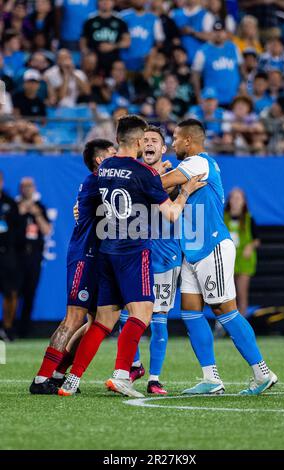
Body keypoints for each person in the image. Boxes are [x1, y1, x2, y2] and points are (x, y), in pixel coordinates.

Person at [58, 114, 205, 397]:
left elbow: (87, 206)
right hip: (134, 251)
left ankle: (71, 380)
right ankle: (121, 374)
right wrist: (185, 191)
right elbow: (172, 214)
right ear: (138, 141)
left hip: (106, 250)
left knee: (103, 321)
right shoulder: (144, 174)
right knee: (143, 312)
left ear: (118, 139)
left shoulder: (105, 167)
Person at [161, 118, 277, 395]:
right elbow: (164, 190)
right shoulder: (191, 167)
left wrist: (152, 174)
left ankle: (262, 373)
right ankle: (211, 378)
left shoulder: (198, 163)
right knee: (189, 311)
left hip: (211, 246)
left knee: (225, 309)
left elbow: (160, 184)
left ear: (188, 141)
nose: (172, 144)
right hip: (191, 248)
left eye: (175, 138)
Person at [30, 139, 116, 394]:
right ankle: (41, 378)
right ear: (101, 160)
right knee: (74, 317)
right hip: (85, 256)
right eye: (113, 154)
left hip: (98, 257)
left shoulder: (103, 183)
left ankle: (58, 372)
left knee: (94, 322)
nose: (119, 156)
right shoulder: (96, 181)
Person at [120, 126, 182, 395]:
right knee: (126, 317)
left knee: (159, 320)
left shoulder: (172, 178)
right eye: (144, 140)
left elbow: (170, 207)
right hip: (134, 252)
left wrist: (161, 176)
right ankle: (135, 365)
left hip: (164, 255)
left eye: (154, 140)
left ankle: (154, 378)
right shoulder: (132, 173)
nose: (148, 144)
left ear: (162, 148)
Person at [17, 177, 52, 338]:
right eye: (24, 186)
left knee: (30, 292)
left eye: (30, 186)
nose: (27, 189)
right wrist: (20, 212)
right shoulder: (14, 206)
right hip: (17, 256)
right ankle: (10, 327)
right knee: (14, 292)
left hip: (34, 256)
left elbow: (47, 230)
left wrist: (36, 214)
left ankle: (25, 329)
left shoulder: (40, 207)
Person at [224, 188, 260, 316]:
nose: (235, 201)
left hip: (243, 260)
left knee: (241, 293)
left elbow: (257, 240)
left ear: (244, 201)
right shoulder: (223, 218)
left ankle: (242, 323)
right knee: (225, 294)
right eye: (233, 198)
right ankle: (224, 323)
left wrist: (250, 246)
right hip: (226, 260)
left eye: (238, 198)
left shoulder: (249, 219)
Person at [192, 20, 242, 108]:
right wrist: (198, 96)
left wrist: (241, 90)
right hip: (212, 99)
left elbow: (241, 69)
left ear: (226, 33)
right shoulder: (203, 51)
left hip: (233, 98)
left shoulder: (233, 47)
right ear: (211, 33)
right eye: (216, 31)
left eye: (221, 31)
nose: (218, 34)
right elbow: (195, 76)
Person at [80, 0, 130, 75]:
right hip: (95, 57)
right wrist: (88, 53)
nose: (105, 2)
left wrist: (112, 46)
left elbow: (127, 42)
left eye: (108, 0)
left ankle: (117, 86)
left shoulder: (120, 20)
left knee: (119, 66)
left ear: (113, 3)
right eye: (102, 0)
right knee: (89, 60)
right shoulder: (89, 20)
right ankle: (89, 83)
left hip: (113, 57)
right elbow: (82, 43)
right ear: (98, 2)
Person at [0, 171, 20, 342]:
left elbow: (18, 230)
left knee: (11, 293)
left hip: (7, 255)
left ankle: (7, 328)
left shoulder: (9, 203)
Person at [120, 0, 165, 72]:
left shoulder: (154, 18)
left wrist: (153, 52)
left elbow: (159, 41)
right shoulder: (122, 16)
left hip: (145, 61)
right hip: (125, 59)